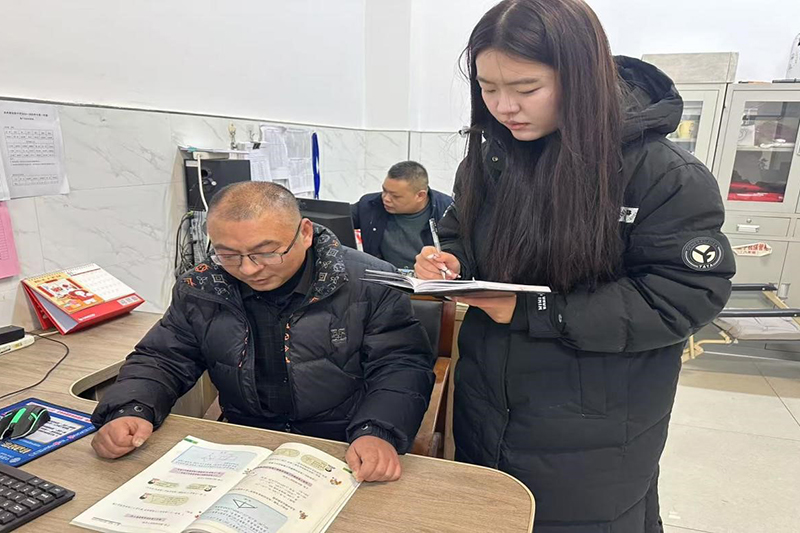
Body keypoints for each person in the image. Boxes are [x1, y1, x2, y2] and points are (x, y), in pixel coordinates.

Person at [414, 1, 735, 531]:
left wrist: (535, 311)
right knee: (493, 516)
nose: (504, 107)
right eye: (488, 89)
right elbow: (459, 233)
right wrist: (450, 261)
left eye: (526, 88)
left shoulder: (662, 173)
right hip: (488, 401)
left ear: (580, 76)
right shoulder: (490, 159)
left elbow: (683, 295)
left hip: (596, 423)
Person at [92, 182, 435, 483]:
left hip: (341, 442)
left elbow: (400, 364)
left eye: (266, 252)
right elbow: (164, 357)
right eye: (228, 254)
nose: (248, 268)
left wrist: (378, 430)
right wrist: (131, 408)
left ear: (304, 233)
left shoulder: (371, 282)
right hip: (243, 444)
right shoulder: (202, 286)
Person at [352, 161, 453, 270]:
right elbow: (340, 218)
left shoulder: (448, 211)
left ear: (420, 195)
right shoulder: (370, 205)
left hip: (431, 277)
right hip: (383, 276)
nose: (385, 198)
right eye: (384, 191)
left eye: (395, 196)